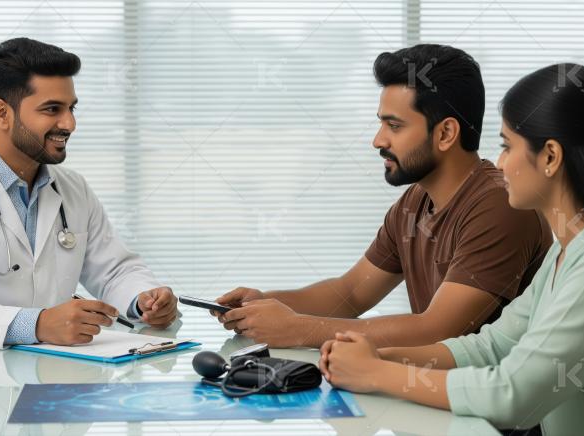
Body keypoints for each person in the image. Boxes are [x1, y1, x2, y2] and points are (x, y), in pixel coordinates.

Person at [319, 64, 584, 435]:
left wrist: (376, 373)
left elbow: (515, 395)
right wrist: (378, 356)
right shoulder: (569, 250)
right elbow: (493, 346)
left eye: (507, 145)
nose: (499, 163)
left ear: (549, 157)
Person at [0, 38, 178, 435]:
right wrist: (38, 324)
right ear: (2, 113)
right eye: (52, 110)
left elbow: (114, 269)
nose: (69, 124)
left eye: (71, 108)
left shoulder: (72, 190)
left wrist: (143, 298)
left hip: (49, 385)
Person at [213, 44, 552, 348]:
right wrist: (262, 305)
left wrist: (298, 329)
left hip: (493, 415)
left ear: (446, 133)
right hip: (439, 400)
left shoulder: (501, 205)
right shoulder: (414, 201)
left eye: (395, 126)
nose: (378, 140)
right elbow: (350, 293)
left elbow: (438, 330)